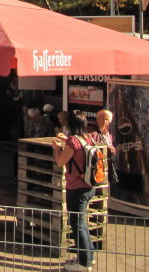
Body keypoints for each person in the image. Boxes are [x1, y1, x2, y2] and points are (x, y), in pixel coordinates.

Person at [52, 113, 98, 271]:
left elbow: (60, 161)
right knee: (82, 222)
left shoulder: (73, 141)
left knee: (76, 224)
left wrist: (57, 149)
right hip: (89, 185)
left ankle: (83, 264)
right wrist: (65, 139)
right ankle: (88, 256)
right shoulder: (88, 138)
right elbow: (79, 148)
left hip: (76, 187)